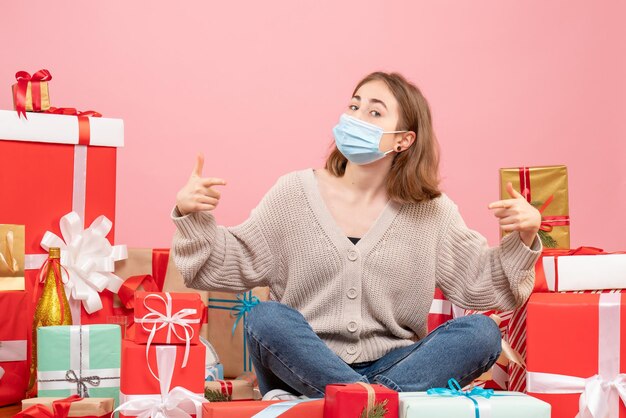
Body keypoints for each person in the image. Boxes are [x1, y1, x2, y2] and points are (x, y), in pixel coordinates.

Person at [171, 71, 542, 400]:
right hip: (303, 362)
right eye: (354, 106)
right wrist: (190, 215)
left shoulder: (432, 211)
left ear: (404, 140)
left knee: (481, 333)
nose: (356, 117)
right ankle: (378, 404)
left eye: (374, 112)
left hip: (400, 362)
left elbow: (483, 284)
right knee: (265, 317)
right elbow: (226, 263)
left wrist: (523, 238)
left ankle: (357, 404)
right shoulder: (293, 193)